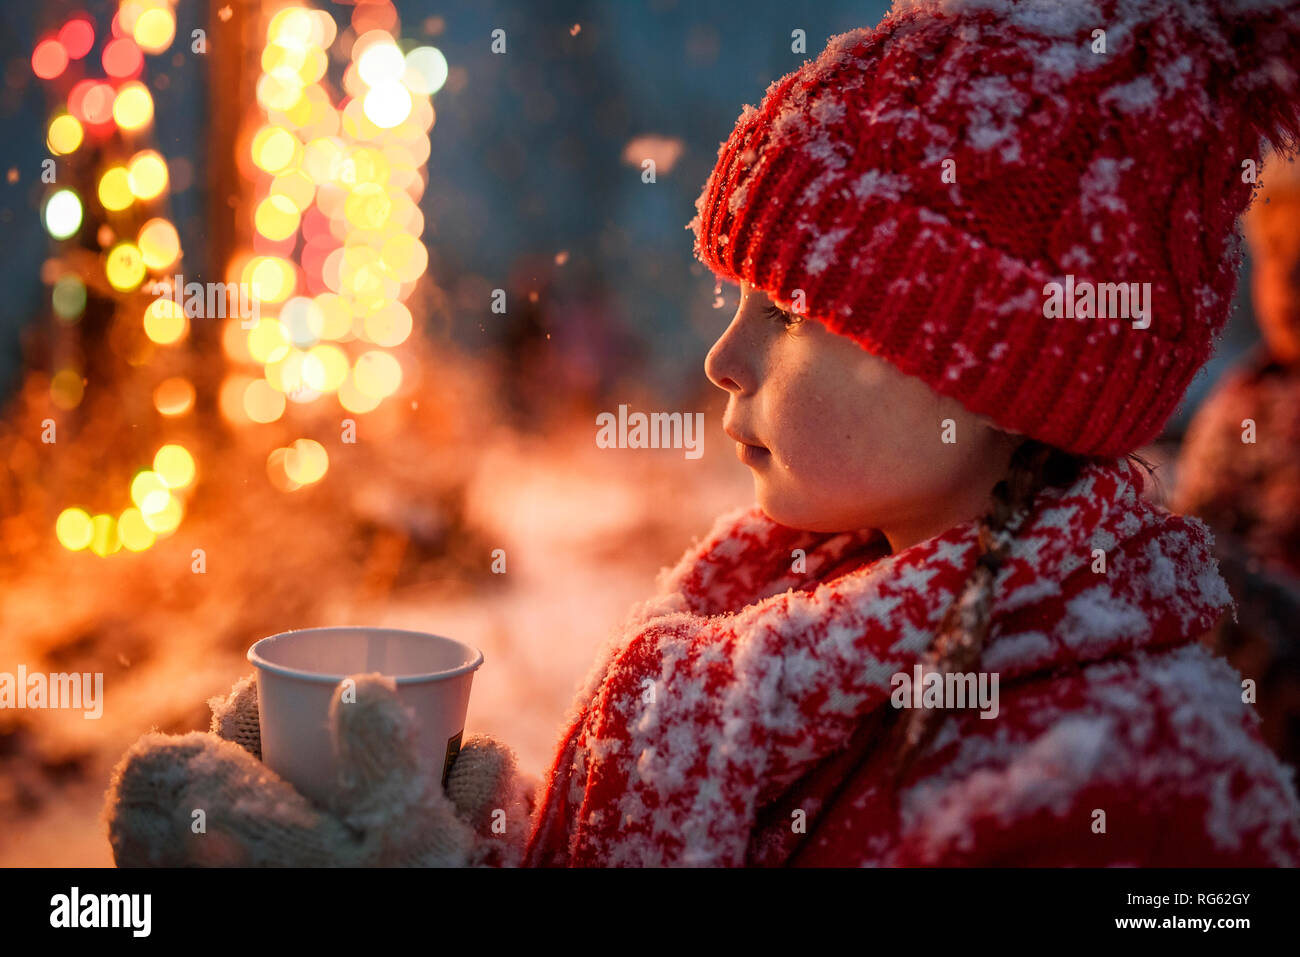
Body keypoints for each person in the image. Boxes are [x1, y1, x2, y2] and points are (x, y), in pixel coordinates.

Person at [105, 0, 1300, 867]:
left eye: (789, 312)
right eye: (735, 300)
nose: (722, 359)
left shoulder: (1123, 790)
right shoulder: (792, 620)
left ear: (987, 368)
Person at [1172, 148, 1300, 770]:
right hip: (1250, 742)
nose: (1291, 280)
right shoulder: (1238, 411)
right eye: (1276, 256)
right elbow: (1194, 566)